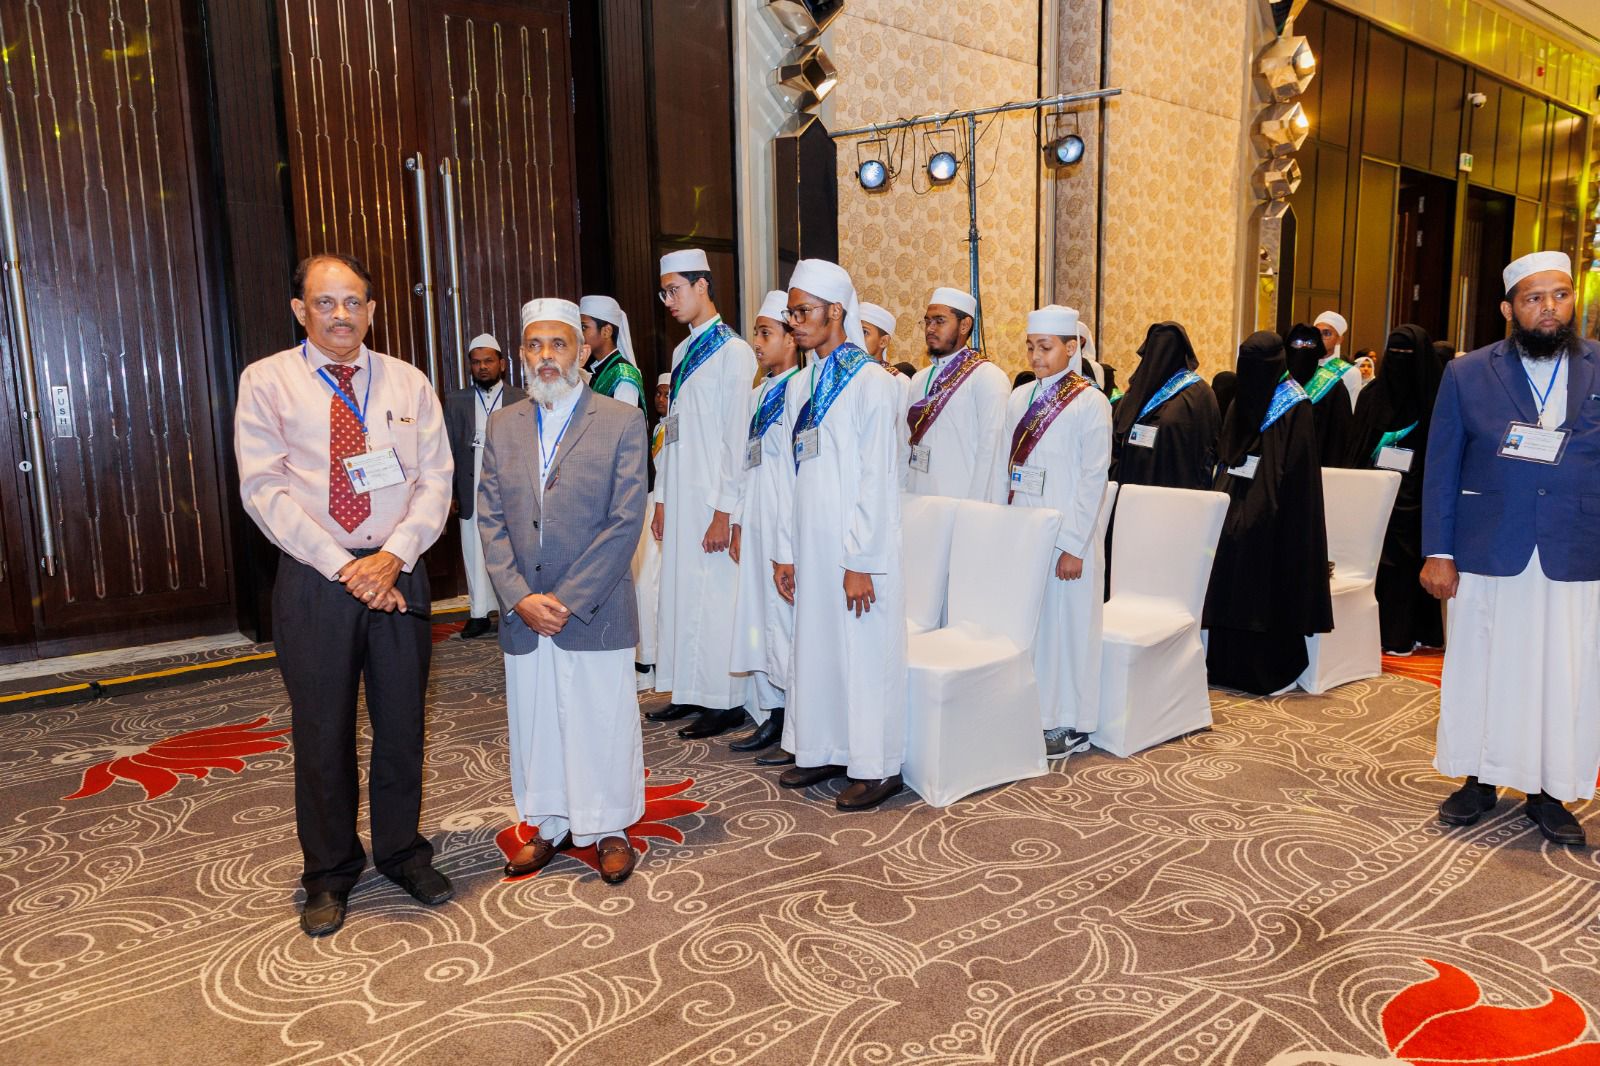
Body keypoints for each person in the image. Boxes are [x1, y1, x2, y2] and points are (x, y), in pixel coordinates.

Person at [235, 253, 454, 937]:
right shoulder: (267, 381)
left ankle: (401, 852)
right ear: (299, 310)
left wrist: (394, 555)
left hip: (398, 569)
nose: (340, 315)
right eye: (325, 302)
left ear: (372, 310)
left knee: (402, 725)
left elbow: (436, 479)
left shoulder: (408, 381)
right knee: (322, 731)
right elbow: (264, 489)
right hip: (315, 578)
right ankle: (328, 873)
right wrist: (343, 566)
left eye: (353, 301)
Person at [1423, 250, 1600, 846]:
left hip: (1575, 546)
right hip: (1490, 545)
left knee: (1564, 671)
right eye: (1534, 298)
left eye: (1560, 295)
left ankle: (1550, 792)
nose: (1550, 308)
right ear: (1508, 309)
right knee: (1484, 665)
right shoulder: (1467, 373)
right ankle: (1478, 780)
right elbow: (1441, 467)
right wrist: (1438, 549)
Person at [477, 298, 648, 884]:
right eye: (534, 345)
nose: (546, 356)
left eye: (558, 344)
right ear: (521, 354)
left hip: (593, 606)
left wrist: (568, 598)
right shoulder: (503, 424)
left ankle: (610, 827)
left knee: (601, 718)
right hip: (525, 608)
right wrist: (518, 595)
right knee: (538, 720)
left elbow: (625, 521)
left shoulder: (620, 420)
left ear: (580, 349)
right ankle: (549, 824)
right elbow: (490, 519)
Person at [772, 258, 908, 811]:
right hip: (810, 540)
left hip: (858, 548)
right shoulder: (799, 385)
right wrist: (786, 551)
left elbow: (879, 479)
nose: (795, 322)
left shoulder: (873, 383)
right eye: (791, 313)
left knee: (864, 652)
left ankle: (877, 767)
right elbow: (791, 475)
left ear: (836, 311)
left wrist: (861, 560)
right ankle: (825, 748)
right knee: (817, 646)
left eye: (803, 312)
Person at [647, 249, 759, 738]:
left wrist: (723, 511)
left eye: (675, 290)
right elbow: (672, 433)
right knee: (681, 593)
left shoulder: (734, 352)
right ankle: (689, 691)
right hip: (681, 492)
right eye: (664, 293)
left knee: (714, 598)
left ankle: (723, 700)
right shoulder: (680, 353)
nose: (669, 301)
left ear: (702, 286)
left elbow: (736, 438)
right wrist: (662, 499)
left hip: (713, 497)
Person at [998, 305, 1112, 758]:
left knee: (1070, 628)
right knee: (1035, 626)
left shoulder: (1091, 402)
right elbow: (1006, 468)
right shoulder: (1018, 398)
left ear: (1071, 348)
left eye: (1045, 347)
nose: (1035, 356)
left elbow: (1093, 477)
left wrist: (1073, 545)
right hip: (1026, 529)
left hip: (1069, 535)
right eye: (1030, 347)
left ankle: (1071, 722)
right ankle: (1036, 711)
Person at [1203, 331, 1333, 695]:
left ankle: (1269, 668)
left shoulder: (1295, 403)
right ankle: (1225, 664)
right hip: (1233, 496)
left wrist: (1264, 505)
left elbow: (1297, 471)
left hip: (1280, 508)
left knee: (1260, 553)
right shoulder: (1242, 396)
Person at [728, 291, 802, 756]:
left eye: (766, 333)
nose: (757, 342)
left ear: (791, 339)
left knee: (785, 621)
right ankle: (772, 713)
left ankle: (796, 719)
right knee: (759, 616)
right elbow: (745, 462)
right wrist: (738, 520)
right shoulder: (758, 395)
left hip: (783, 519)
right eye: (756, 333)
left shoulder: (803, 389)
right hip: (754, 518)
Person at [1350, 325, 1445, 655]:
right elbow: (1357, 446)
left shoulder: (1436, 398)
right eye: (1395, 353)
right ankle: (1377, 632)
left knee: (1409, 567)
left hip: (1417, 498)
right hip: (1374, 496)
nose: (1400, 360)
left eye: (1408, 354)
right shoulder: (1371, 396)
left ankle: (1409, 632)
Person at [444, 334, 525, 639]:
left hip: (511, 488)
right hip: (471, 486)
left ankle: (512, 610)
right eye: (476, 362)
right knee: (474, 549)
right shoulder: (456, 401)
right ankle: (478, 614)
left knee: (512, 550)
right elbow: (447, 449)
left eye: (488, 361)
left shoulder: (521, 398)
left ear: (502, 364)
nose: (482, 367)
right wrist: (450, 492)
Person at [904, 287, 1010, 501]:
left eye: (940, 321)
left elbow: (991, 453)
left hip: (961, 503)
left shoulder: (988, 377)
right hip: (917, 500)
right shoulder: (919, 379)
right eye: (927, 321)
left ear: (964, 325)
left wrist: (975, 510)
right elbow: (905, 444)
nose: (930, 328)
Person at [1110, 322, 1219, 491]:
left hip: (1176, 488)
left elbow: (1208, 447)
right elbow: (1117, 438)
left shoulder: (1199, 393)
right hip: (1132, 488)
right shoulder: (1138, 390)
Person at [632, 372, 672, 690]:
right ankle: (647, 658)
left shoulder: (676, 429)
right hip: (650, 506)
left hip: (665, 510)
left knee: (652, 585)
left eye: (668, 394)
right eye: (658, 394)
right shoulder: (657, 429)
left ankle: (653, 660)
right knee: (645, 584)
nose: (661, 399)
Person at [1284, 323, 1355, 468]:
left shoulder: (1333, 386)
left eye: (1310, 344)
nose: (1304, 348)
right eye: (1297, 343)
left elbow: (1340, 436)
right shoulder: (1278, 382)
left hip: (1318, 465)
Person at [579, 295, 645, 410]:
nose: (579, 334)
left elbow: (625, 420)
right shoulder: (597, 370)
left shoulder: (624, 376)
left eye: (584, 327)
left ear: (606, 331)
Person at [1313, 310, 1364, 409]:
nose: (1320, 338)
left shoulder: (1350, 372)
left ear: (1339, 339)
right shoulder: (1304, 366)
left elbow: (1351, 409)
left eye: (1326, 333)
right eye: (1316, 333)